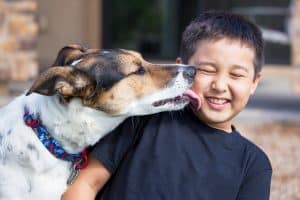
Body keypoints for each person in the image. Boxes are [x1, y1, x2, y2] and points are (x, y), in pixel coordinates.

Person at [62, 11, 272, 200]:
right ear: (181, 69)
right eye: (207, 70)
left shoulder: (253, 165)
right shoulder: (143, 118)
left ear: (254, 83)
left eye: (236, 75)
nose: (219, 85)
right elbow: (84, 185)